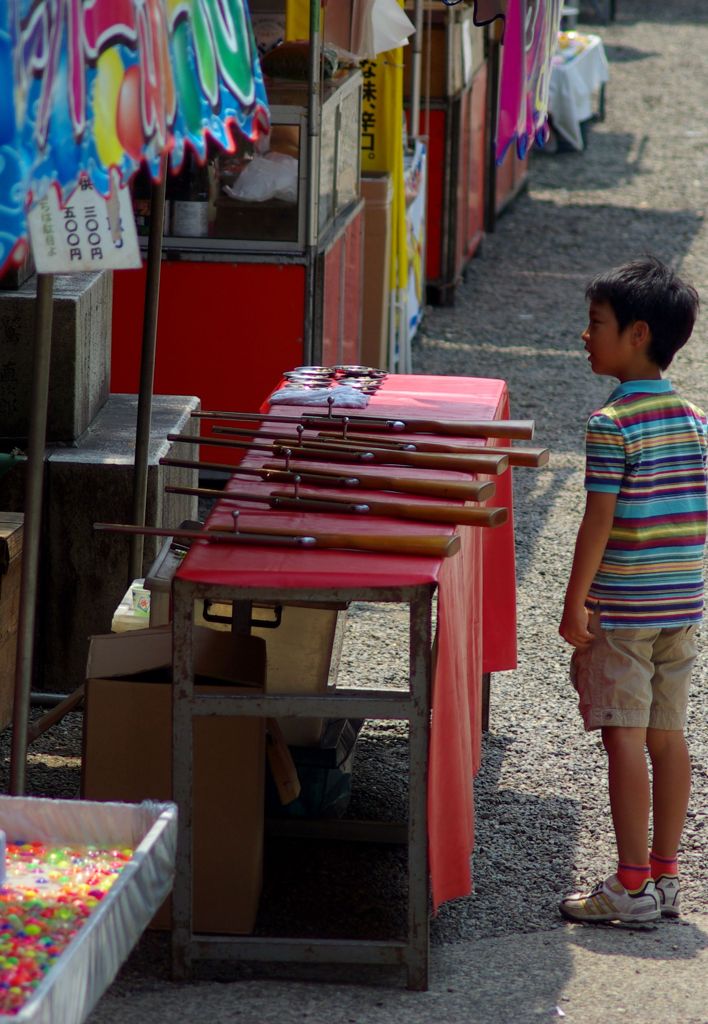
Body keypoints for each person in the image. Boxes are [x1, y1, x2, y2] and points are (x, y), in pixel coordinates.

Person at [558, 255, 707, 924]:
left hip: (624, 607)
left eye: (596, 324)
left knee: (624, 737)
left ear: (638, 334)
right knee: (668, 736)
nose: (584, 336)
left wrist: (574, 601)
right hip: (681, 605)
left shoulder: (611, 424)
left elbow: (599, 519)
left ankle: (630, 884)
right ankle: (668, 878)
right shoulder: (697, 421)